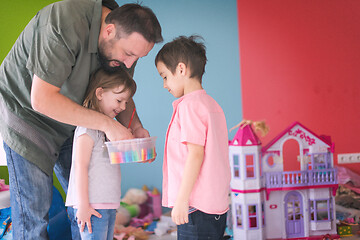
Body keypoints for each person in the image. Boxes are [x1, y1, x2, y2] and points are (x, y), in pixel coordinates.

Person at [0, 0, 162, 239]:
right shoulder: (63, 23)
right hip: (27, 115)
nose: (129, 65)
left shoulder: (120, 47)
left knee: (88, 205)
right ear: (109, 31)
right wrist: (107, 124)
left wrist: (135, 126)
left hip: (74, 118)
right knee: (33, 215)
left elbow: (117, 91)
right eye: (128, 54)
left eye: (137, 58)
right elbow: (42, 100)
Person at [155, 35, 231, 239]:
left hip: (195, 206)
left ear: (181, 69)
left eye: (164, 76)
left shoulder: (189, 106)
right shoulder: (212, 105)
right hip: (215, 205)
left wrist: (181, 200)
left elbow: (195, 154)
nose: (164, 84)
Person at [66, 67, 136, 240]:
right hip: (92, 205)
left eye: (126, 102)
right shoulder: (87, 127)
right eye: (119, 100)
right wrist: (82, 205)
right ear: (100, 93)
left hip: (109, 203)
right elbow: (80, 166)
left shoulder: (107, 130)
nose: (123, 107)